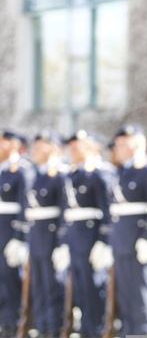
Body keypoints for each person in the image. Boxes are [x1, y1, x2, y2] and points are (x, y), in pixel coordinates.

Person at [101, 125, 147, 335]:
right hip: (122, 242)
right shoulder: (123, 170)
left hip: (140, 243)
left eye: (124, 144)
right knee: (126, 296)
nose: (119, 148)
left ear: (136, 144)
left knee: (141, 295)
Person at [59, 130, 112, 337]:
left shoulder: (100, 173)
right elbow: (66, 212)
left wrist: (104, 241)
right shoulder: (72, 174)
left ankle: (97, 330)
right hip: (75, 239)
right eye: (71, 147)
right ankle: (87, 330)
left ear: (93, 147)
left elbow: (108, 210)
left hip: (92, 240)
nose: (73, 150)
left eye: (78, 146)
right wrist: (63, 241)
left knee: (94, 288)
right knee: (80, 289)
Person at [25, 130, 68, 338]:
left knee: (52, 285)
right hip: (36, 235)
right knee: (38, 285)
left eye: (40, 145)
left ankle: (54, 328)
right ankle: (42, 327)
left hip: (52, 236)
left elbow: (65, 209)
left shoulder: (60, 174)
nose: (34, 150)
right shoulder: (37, 173)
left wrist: (62, 242)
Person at [0, 130, 32, 338]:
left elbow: (26, 203)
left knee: (11, 279)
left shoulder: (22, 170)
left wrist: (20, 238)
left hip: (11, 232)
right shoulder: (3, 170)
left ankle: (13, 324)